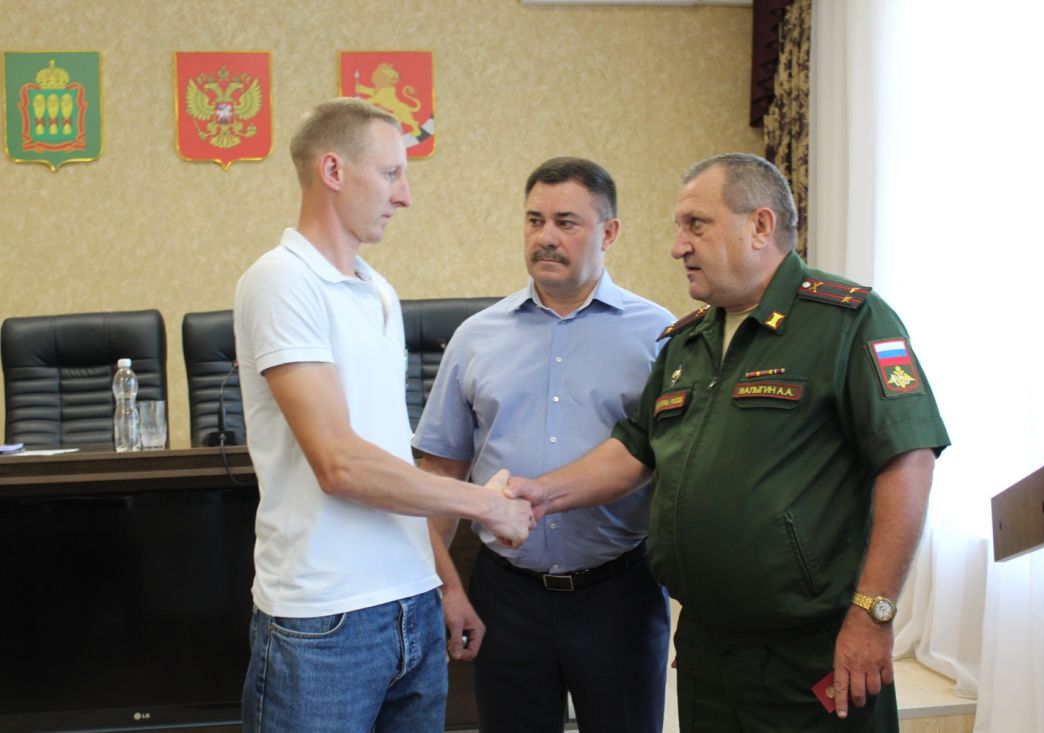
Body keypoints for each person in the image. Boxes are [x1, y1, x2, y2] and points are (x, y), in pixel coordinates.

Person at [508, 152, 950, 732]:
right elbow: (634, 451)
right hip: (707, 649)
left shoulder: (849, 321)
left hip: (814, 648)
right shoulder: (686, 342)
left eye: (696, 225)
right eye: (679, 227)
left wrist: (874, 614)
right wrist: (541, 493)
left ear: (760, 226)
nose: (677, 246)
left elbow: (908, 461)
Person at [233, 98, 533, 733]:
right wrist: (485, 504)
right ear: (333, 170)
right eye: (392, 173)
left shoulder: (378, 291)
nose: (405, 196)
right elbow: (340, 464)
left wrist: (444, 581)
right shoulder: (281, 281)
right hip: (326, 621)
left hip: (412, 605)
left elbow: (391, 459)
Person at [412, 156, 674, 733]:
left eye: (566, 222)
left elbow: (679, 471)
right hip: (507, 595)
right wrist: (444, 587)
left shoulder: (659, 336)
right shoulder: (476, 337)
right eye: (535, 221)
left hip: (617, 593)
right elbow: (440, 475)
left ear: (609, 232)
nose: (546, 237)